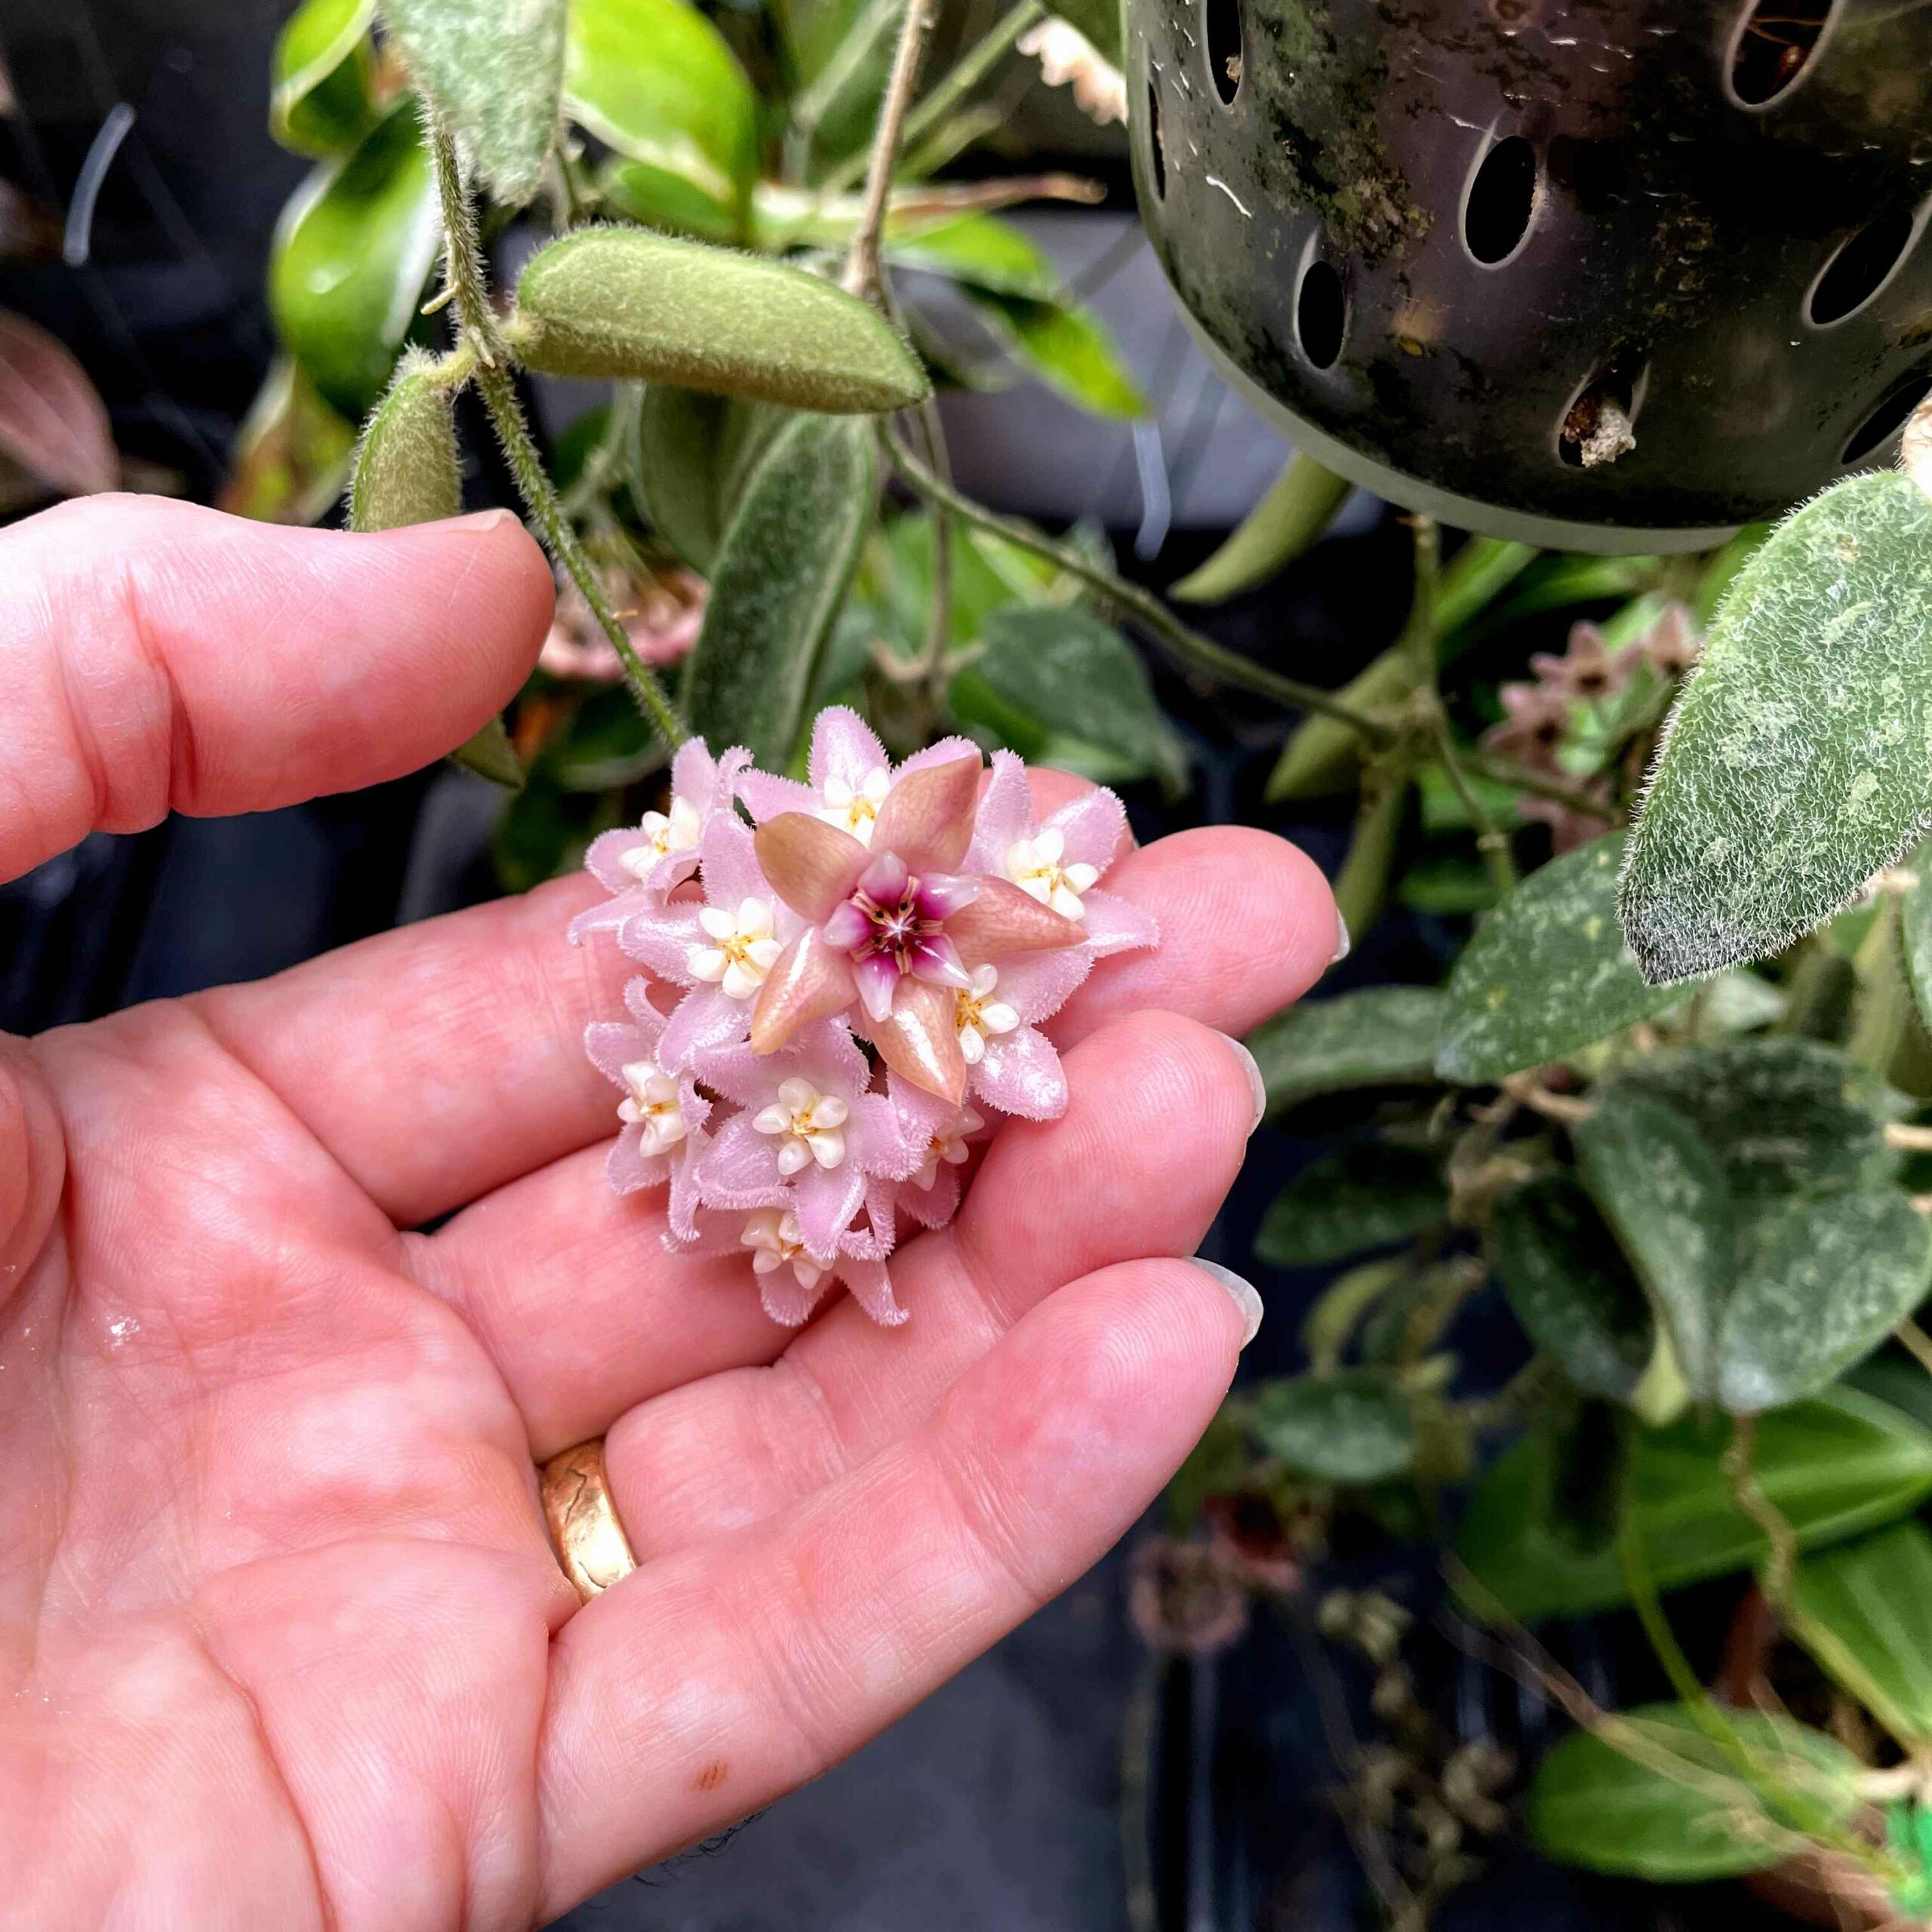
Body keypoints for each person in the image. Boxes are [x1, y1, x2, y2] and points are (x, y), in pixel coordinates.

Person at [0, 494, 1339, 1927]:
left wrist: (902, 1117)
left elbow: (898, 1021)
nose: (886, 929)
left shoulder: (906, 993)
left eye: (897, 927)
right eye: (872, 922)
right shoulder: (817, 1000)